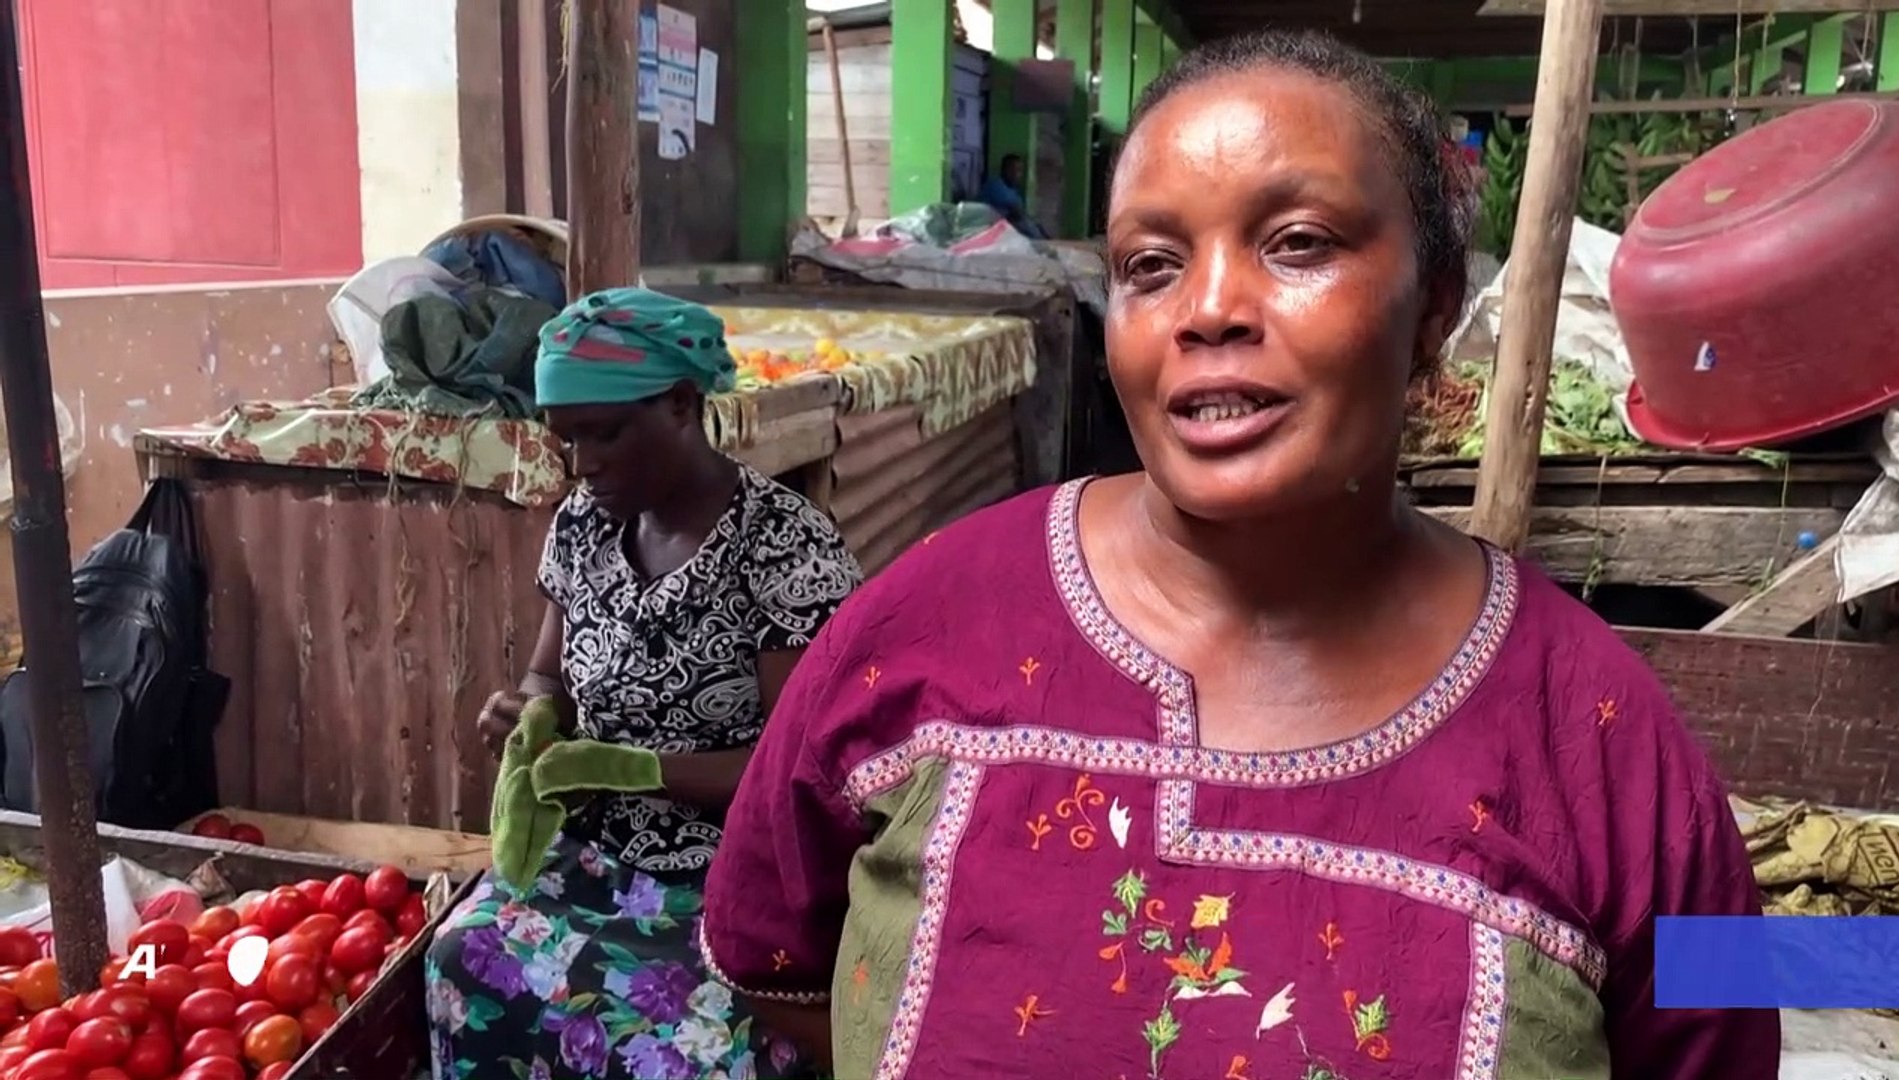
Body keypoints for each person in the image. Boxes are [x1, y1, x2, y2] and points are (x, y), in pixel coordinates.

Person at [699, 31, 1779, 1080]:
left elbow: (1726, 1040)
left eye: (1299, 243)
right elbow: (767, 944)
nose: (1208, 310)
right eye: (1150, 265)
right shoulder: (924, 624)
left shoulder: (1611, 740)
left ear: (1434, 308)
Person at [425, 287, 863, 1080]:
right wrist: (530, 714)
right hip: (595, 852)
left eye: (606, 434)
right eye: (567, 440)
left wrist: (635, 768)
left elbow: (801, 774)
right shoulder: (584, 524)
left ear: (682, 404)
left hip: (731, 872)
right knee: (463, 956)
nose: (584, 463)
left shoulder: (783, 545)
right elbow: (546, 674)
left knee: (697, 1036)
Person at [980, 153, 1048, 240]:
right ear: (1007, 170)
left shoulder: (1013, 191)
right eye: (1017, 170)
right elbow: (1017, 214)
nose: (1019, 175)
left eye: (1020, 171)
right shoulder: (995, 186)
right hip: (991, 231)